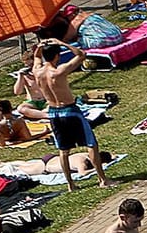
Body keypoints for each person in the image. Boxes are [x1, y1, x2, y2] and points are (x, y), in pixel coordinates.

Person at [25, 43, 112, 190]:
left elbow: (37, 57)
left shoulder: (37, 71)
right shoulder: (59, 71)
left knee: (63, 150)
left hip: (53, 113)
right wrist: (61, 43)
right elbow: (81, 54)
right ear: (57, 56)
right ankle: (102, 180)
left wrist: (40, 47)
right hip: (70, 111)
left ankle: (70, 184)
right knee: (91, 145)